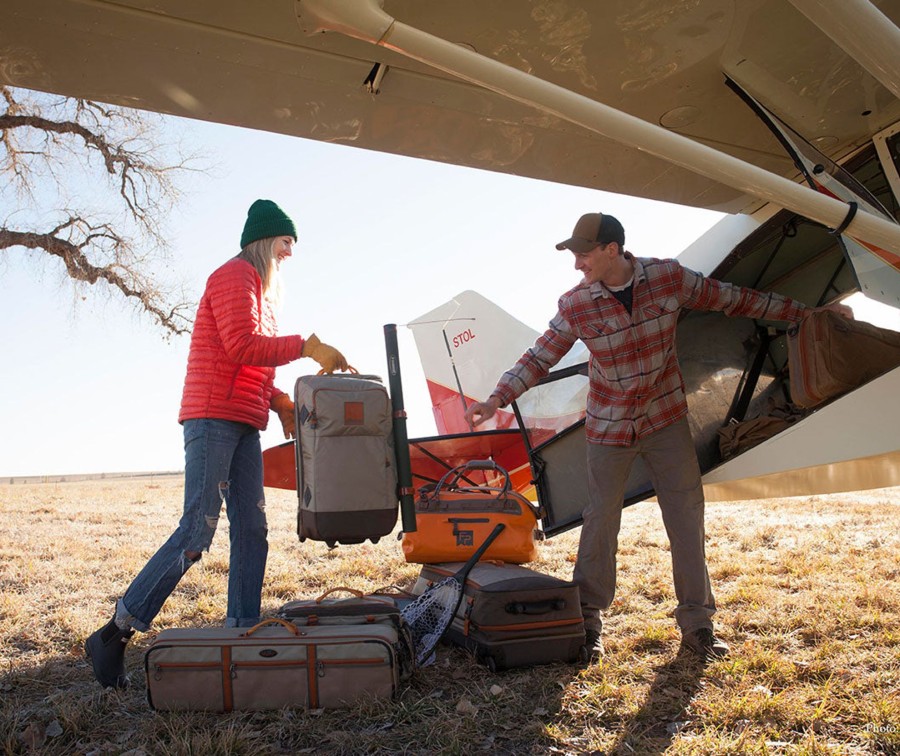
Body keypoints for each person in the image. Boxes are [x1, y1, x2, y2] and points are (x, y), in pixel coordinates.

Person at [465, 211, 853, 661]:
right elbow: (539, 356)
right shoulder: (576, 304)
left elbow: (735, 299)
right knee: (600, 521)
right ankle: (588, 622)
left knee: (686, 517)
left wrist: (807, 313)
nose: (577, 264)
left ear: (612, 250)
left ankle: (698, 625)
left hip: (665, 420)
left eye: (584, 254)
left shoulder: (667, 278)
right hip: (609, 428)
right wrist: (496, 398)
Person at [85, 199, 349, 689]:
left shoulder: (262, 294)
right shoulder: (234, 276)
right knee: (196, 531)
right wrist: (307, 346)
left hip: (245, 421)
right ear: (266, 240)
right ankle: (114, 634)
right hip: (211, 419)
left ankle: (243, 631)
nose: (291, 253)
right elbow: (240, 346)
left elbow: (249, 364)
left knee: (252, 528)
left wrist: (278, 402)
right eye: (287, 242)